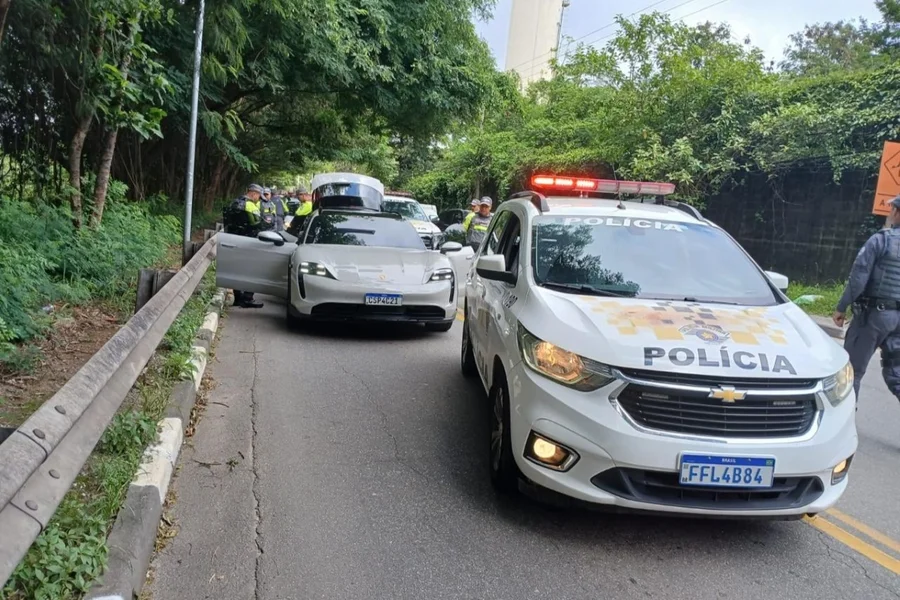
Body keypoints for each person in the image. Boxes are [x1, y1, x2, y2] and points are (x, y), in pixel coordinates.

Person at [833, 194, 900, 403]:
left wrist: (841, 307)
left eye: (892, 209)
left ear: (897, 212)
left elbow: (858, 279)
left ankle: (844, 425)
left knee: (852, 372)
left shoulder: (881, 240)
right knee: (896, 374)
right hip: (897, 320)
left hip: (873, 317)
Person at [223, 183, 265, 308]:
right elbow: (256, 222)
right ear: (254, 193)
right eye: (258, 196)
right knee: (253, 270)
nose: (259, 199)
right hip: (249, 241)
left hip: (234, 239)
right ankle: (248, 298)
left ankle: (238, 298)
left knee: (237, 269)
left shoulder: (235, 202)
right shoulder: (250, 205)